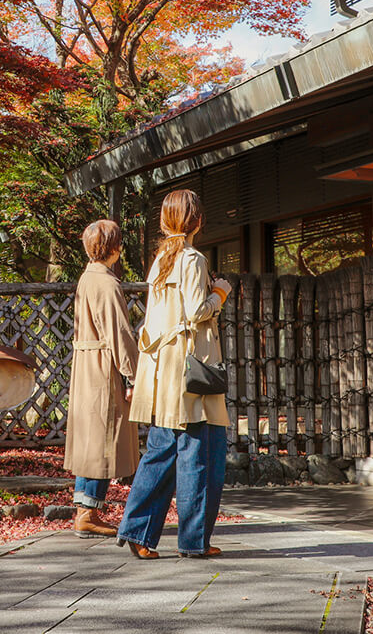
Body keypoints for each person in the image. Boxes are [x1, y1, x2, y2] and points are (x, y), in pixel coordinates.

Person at [116, 189, 232, 559]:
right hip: (191, 370)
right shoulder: (193, 259)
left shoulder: (161, 260)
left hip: (161, 370)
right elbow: (198, 309)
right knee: (200, 453)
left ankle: (137, 531)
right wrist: (220, 293)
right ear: (197, 221)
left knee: (160, 453)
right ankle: (194, 541)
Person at [64, 219, 140, 538]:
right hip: (102, 367)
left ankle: (85, 510)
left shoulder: (86, 278)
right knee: (103, 441)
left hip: (86, 366)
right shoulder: (107, 284)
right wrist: (134, 376)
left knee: (91, 441)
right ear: (114, 248)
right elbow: (119, 334)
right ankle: (88, 514)